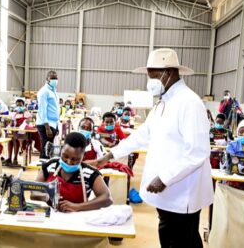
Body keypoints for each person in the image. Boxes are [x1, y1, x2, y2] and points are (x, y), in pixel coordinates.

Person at [88, 49, 213, 248]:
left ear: (169, 72)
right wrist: (109, 156)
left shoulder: (189, 102)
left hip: (182, 193)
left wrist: (165, 178)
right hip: (169, 192)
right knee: (180, 238)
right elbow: (142, 135)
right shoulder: (163, 103)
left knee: (179, 240)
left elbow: (197, 152)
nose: (150, 82)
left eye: (153, 75)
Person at [31, 132, 112, 212]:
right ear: (61, 150)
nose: (68, 162)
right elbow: (34, 191)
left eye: (74, 159)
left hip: (78, 218)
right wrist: (46, 197)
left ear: (83, 156)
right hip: (51, 215)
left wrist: (77, 207)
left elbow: (107, 198)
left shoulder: (89, 173)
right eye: (65, 156)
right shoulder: (50, 166)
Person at [225, 119, 244, 193]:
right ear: (237, 133)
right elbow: (229, 162)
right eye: (241, 132)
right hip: (235, 178)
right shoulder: (232, 146)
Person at [36, 71, 60, 159]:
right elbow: (42, 110)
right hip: (46, 124)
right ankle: (43, 170)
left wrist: (57, 126)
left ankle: (48, 170)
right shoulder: (44, 92)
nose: (55, 80)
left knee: (50, 150)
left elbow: (55, 109)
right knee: (46, 149)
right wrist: (47, 127)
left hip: (53, 123)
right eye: (52, 78)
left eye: (56, 78)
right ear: (47, 79)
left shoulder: (53, 91)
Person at [3, 99, 27, 166]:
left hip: (22, 131)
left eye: (20, 105)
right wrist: (11, 124)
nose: (19, 106)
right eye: (17, 105)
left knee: (15, 140)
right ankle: (9, 158)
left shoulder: (25, 112)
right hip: (15, 129)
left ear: (23, 105)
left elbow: (27, 121)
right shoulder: (14, 112)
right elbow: (11, 121)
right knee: (10, 141)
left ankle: (15, 158)